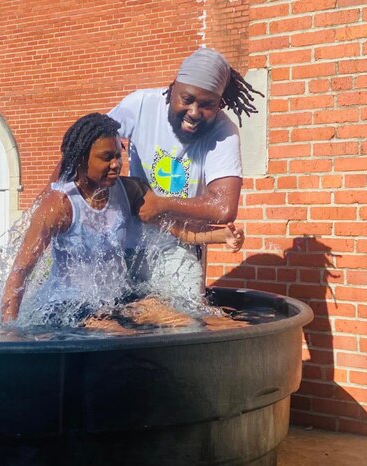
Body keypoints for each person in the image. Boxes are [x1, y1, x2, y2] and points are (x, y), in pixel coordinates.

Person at [1, 113, 244, 329]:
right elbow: (20, 272)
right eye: (107, 157)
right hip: (66, 307)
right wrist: (9, 333)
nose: (116, 164)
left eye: (119, 155)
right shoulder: (59, 206)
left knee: (188, 320)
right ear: (81, 160)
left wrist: (220, 236)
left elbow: (175, 228)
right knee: (118, 334)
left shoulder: (129, 191)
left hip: (114, 302)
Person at [108, 46, 261, 302]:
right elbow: (89, 140)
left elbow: (224, 207)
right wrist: (56, 196)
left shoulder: (223, 133)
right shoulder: (142, 105)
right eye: (187, 99)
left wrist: (160, 204)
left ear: (220, 104)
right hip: (127, 243)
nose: (194, 112)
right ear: (173, 89)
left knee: (182, 319)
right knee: (122, 317)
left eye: (207, 105)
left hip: (181, 249)